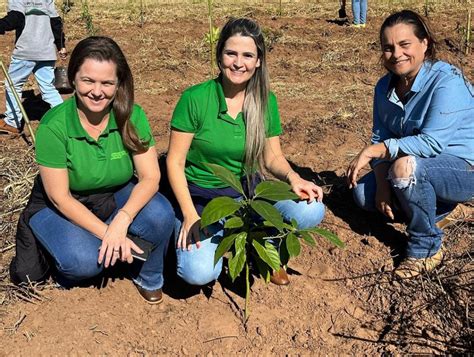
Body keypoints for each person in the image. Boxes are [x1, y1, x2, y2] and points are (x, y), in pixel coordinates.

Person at [11, 36, 174, 304]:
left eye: (107, 83)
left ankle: (148, 276)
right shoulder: (55, 125)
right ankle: (78, 252)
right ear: (72, 77)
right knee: (83, 263)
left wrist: (121, 221)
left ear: (118, 84)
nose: (97, 91)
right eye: (88, 80)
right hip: (62, 203)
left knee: (160, 214)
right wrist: (108, 234)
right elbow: (59, 197)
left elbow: (151, 177)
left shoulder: (132, 117)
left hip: (113, 194)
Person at [167, 18, 326, 287]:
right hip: (202, 198)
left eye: (247, 55)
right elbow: (175, 161)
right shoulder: (195, 99)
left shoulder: (265, 101)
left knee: (311, 210)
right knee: (198, 273)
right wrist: (189, 213)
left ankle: (264, 247)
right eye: (231, 53)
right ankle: (214, 236)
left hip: (248, 195)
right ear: (219, 55)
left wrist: (293, 178)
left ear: (258, 61)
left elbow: (271, 157)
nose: (238, 63)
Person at [346, 10, 474, 279]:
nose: (397, 54)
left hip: (462, 170)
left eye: (405, 45)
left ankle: (426, 247)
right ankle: (446, 210)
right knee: (363, 196)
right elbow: (381, 137)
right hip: (416, 167)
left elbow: (431, 143)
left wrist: (373, 152)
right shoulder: (384, 87)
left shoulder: (447, 81)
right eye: (389, 48)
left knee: (406, 168)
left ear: (424, 43)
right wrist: (381, 184)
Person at [0, 0, 67, 135]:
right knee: (48, 87)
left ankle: (12, 122)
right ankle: (65, 119)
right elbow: (56, 22)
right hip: (46, 52)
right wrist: (61, 45)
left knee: (12, 85)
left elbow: (15, 18)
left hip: (26, 51)